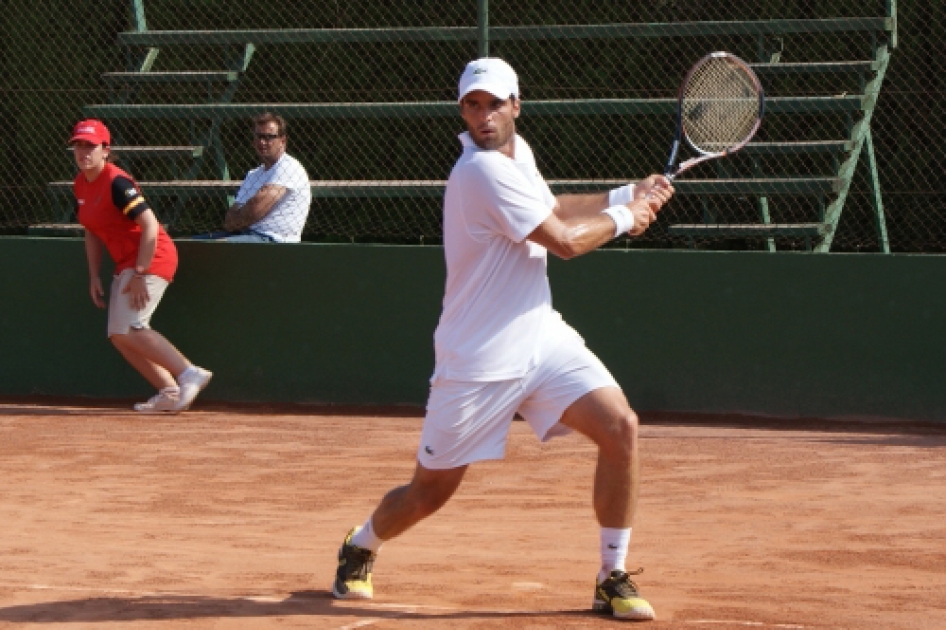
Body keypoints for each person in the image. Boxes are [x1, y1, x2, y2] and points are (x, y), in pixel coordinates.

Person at [331, 58, 674, 621]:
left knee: (621, 427)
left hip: (540, 338)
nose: (483, 116)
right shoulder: (478, 172)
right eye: (472, 105)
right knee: (428, 494)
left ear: (516, 105)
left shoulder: (520, 156)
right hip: (476, 358)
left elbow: (555, 208)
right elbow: (563, 240)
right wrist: (625, 217)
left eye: (494, 104)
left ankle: (611, 575)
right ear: (462, 110)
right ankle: (362, 544)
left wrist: (624, 193)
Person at [71, 119, 213, 413]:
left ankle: (189, 373)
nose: (84, 152)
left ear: (106, 150)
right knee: (118, 334)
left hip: (153, 256)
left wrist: (140, 272)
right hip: (127, 261)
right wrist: (93, 274)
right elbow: (91, 229)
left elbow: (149, 224)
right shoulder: (80, 184)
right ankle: (170, 392)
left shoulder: (117, 182)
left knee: (131, 327)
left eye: (91, 146)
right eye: (78, 146)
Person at [194, 113, 311, 242]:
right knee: (188, 244)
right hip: (245, 234)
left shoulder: (289, 167)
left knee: (215, 248)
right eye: (259, 136)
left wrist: (245, 213)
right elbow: (230, 219)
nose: (262, 142)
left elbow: (256, 208)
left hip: (274, 239)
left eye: (269, 137)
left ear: (282, 141)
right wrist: (247, 214)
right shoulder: (253, 174)